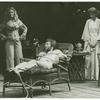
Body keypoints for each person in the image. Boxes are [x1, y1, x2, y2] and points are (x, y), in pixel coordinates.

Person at [0, 7, 27, 72]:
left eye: (12, 12)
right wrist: (3, 36)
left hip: (17, 40)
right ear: (7, 13)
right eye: (9, 12)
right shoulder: (5, 21)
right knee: (10, 57)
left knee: (19, 56)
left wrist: (23, 35)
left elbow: (25, 28)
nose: (10, 13)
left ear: (14, 13)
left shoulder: (18, 21)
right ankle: (11, 73)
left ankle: (20, 71)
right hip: (9, 41)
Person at [81, 7, 100, 80]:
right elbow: (86, 32)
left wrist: (96, 42)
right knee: (89, 59)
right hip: (89, 41)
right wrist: (89, 42)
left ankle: (96, 76)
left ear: (95, 13)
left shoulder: (99, 21)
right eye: (90, 13)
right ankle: (88, 76)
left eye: (92, 13)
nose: (91, 14)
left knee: (97, 58)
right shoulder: (88, 21)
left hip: (97, 42)